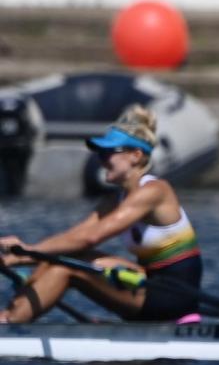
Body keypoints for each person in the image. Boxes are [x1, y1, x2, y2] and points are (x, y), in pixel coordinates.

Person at [0, 105, 202, 323]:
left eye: (108, 153)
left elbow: (90, 238)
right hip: (150, 281)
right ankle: (9, 314)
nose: (102, 159)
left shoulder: (155, 191)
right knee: (60, 258)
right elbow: (74, 237)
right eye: (100, 153)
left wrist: (26, 253)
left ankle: (10, 322)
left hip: (174, 294)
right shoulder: (114, 200)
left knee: (64, 268)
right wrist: (19, 257)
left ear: (136, 155)